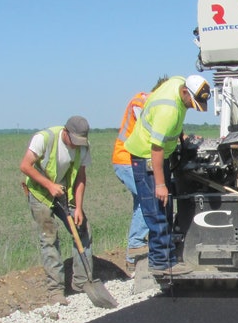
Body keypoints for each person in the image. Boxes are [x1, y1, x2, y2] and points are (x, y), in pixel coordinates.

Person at [124, 75, 211, 276]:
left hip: (157, 155)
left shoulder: (179, 81)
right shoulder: (168, 111)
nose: (192, 107)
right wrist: (160, 184)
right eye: (192, 103)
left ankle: (166, 257)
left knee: (165, 208)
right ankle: (161, 262)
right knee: (157, 210)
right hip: (146, 157)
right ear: (184, 92)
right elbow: (156, 149)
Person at [19, 115, 94, 305]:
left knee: (83, 229)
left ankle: (82, 281)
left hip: (64, 192)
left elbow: (81, 178)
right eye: (74, 141)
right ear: (66, 132)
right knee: (49, 237)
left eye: (80, 142)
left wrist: (78, 207)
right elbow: (25, 166)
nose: (76, 145)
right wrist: (49, 185)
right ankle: (56, 290)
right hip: (40, 192)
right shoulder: (44, 138)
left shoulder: (83, 146)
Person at [112, 90, 151, 272]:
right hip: (126, 160)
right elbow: (148, 128)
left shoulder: (143, 102)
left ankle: (132, 257)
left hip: (130, 160)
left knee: (141, 204)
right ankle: (136, 246)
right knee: (147, 199)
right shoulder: (139, 103)